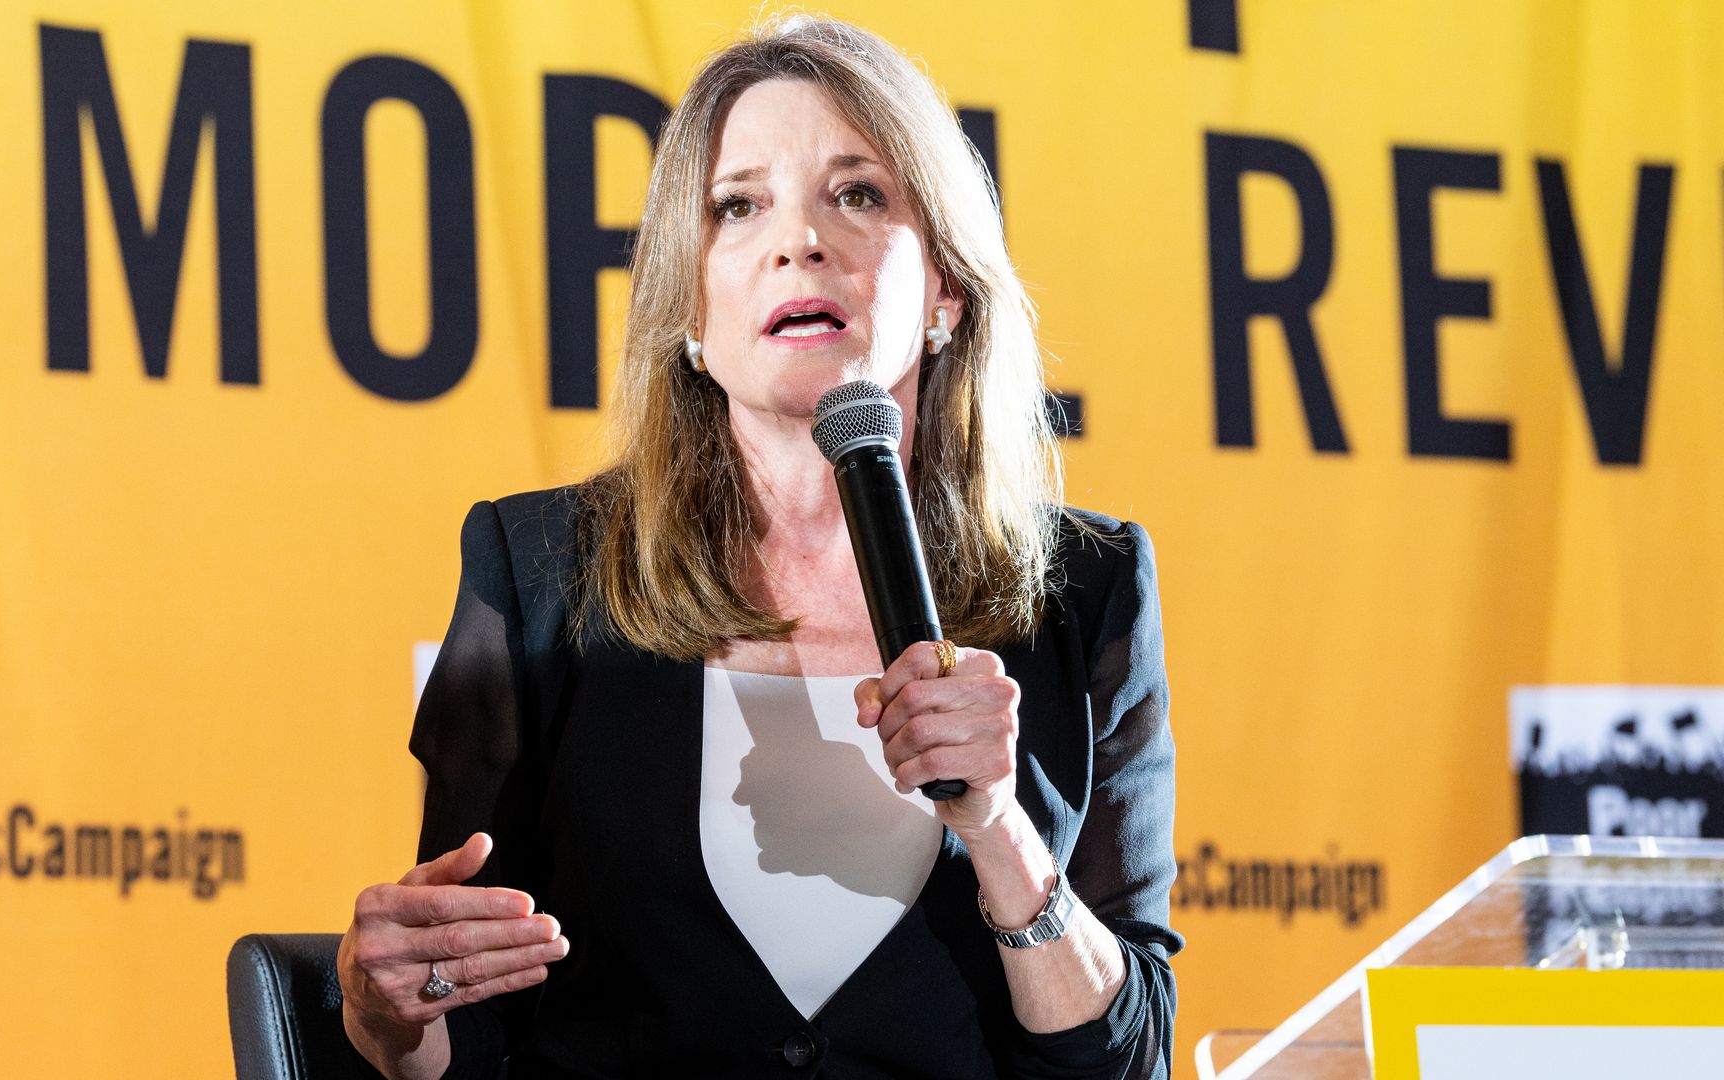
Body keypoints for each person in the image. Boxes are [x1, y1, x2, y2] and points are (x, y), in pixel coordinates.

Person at [338, 15, 1179, 1079]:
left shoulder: (1087, 594)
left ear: (947, 291)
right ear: (691, 306)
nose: (799, 240)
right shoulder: (539, 571)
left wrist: (1001, 829)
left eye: (858, 194)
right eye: (738, 207)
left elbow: (1128, 1057)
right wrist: (388, 1012)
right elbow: (463, 1024)